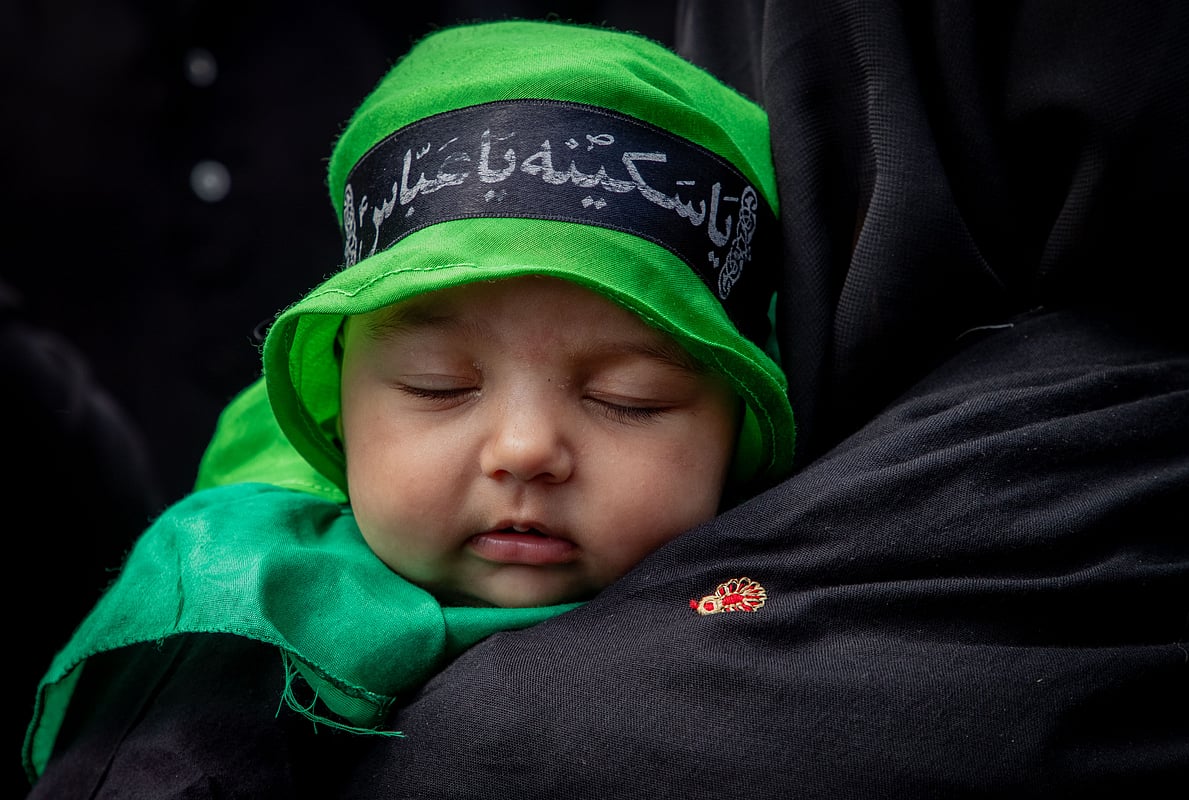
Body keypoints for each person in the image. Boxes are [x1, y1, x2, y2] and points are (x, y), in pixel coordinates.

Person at [22, 18, 793, 792]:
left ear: (744, 426)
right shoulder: (234, 628)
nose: (523, 450)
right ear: (336, 408)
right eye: (439, 387)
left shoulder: (799, 608)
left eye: (630, 399)